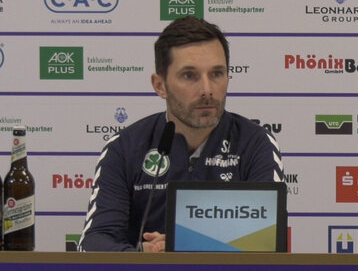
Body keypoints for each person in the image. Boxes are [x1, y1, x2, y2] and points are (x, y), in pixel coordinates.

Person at [79, 17, 283, 252]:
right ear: (160, 86)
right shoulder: (125, 148)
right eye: (189, 76)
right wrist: (143, 256)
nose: (207, 90)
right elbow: (94, 243)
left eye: (217, 74)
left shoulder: (255, 143)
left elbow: (267, 242)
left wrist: (182, 248)